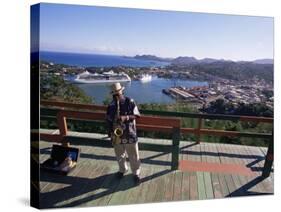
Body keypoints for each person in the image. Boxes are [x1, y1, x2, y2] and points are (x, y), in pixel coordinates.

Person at [106, 82, 141, 185]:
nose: (117, 95)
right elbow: (108, 119)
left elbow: (137, 115)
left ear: (122, 91)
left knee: (133, 155)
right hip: (117, 135)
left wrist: (125, 117)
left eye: (118, 93)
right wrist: (110, 132)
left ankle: (136, 173)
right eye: (115, 94)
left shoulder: (130, 101)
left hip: (130, 133)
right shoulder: (111, 105)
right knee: (119, 155)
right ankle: (122, 170)